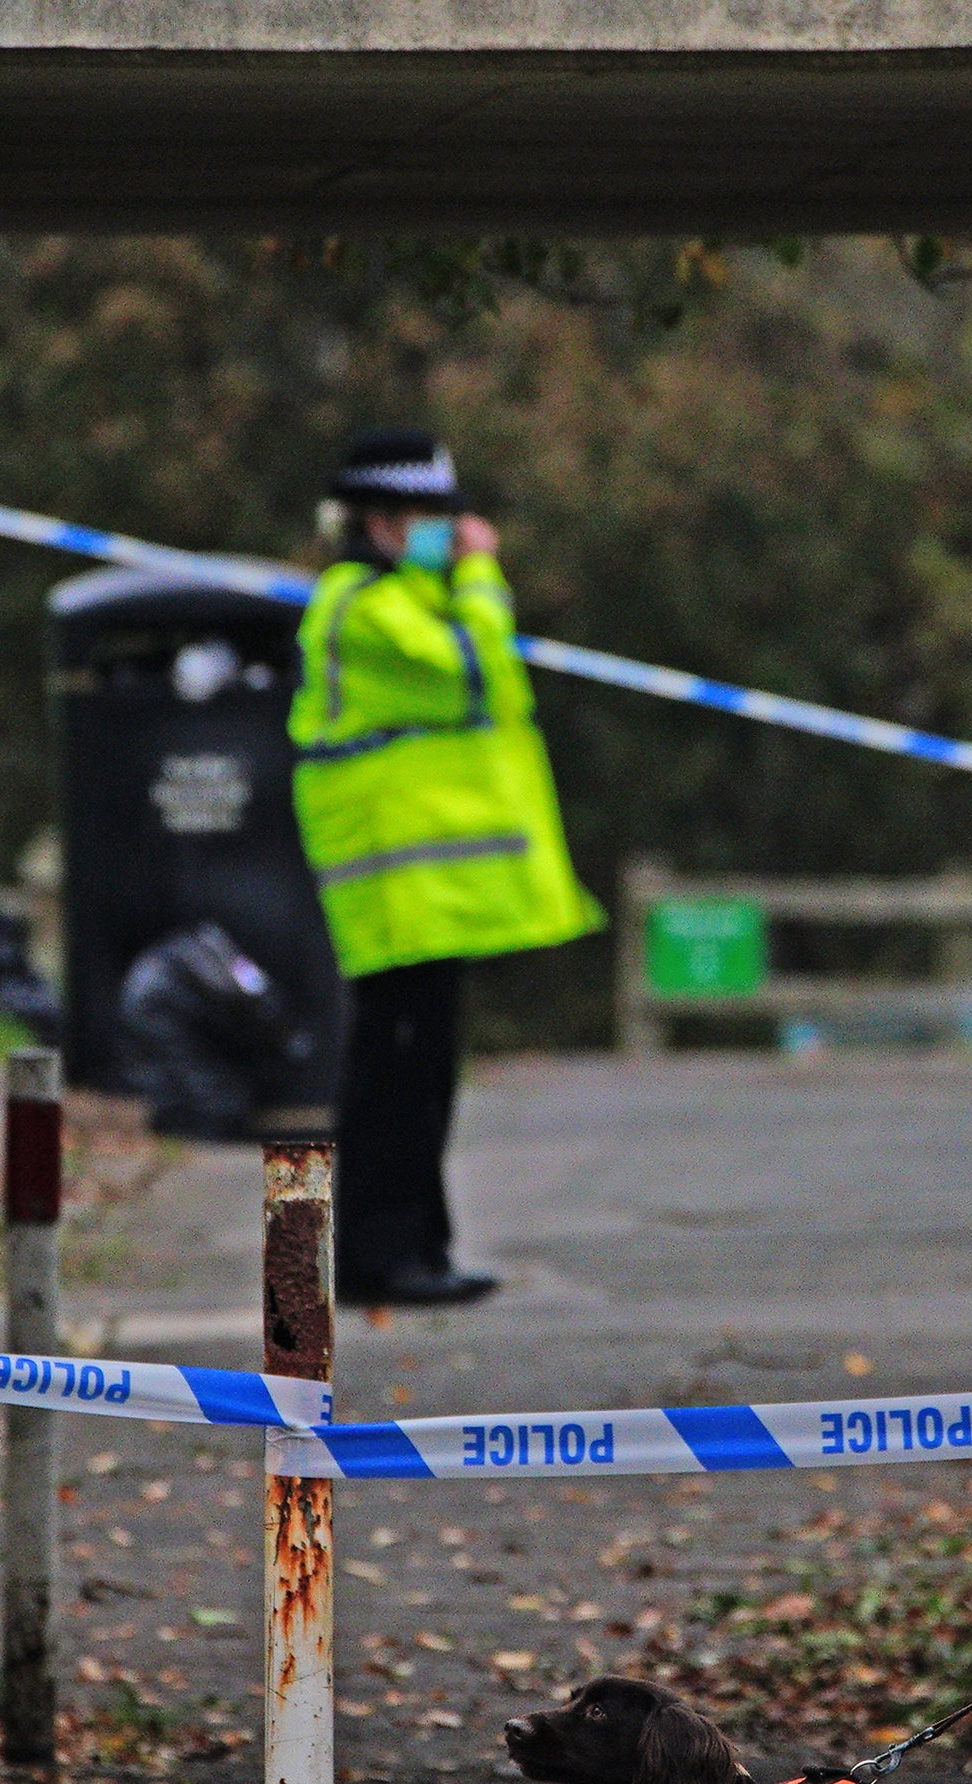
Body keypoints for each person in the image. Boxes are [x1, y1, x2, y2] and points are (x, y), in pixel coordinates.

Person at [290, 429, 602, 1305]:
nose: (449, 532)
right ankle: (381, 1259)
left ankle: (418, 1250)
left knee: (421, 1070)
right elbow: (476, 669)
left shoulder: (406, 599)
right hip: (395, 881)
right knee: (392, 1073)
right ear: (381, 523)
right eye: (430, 516)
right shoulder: (362, 604)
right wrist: (481, 573)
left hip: (424, 886)